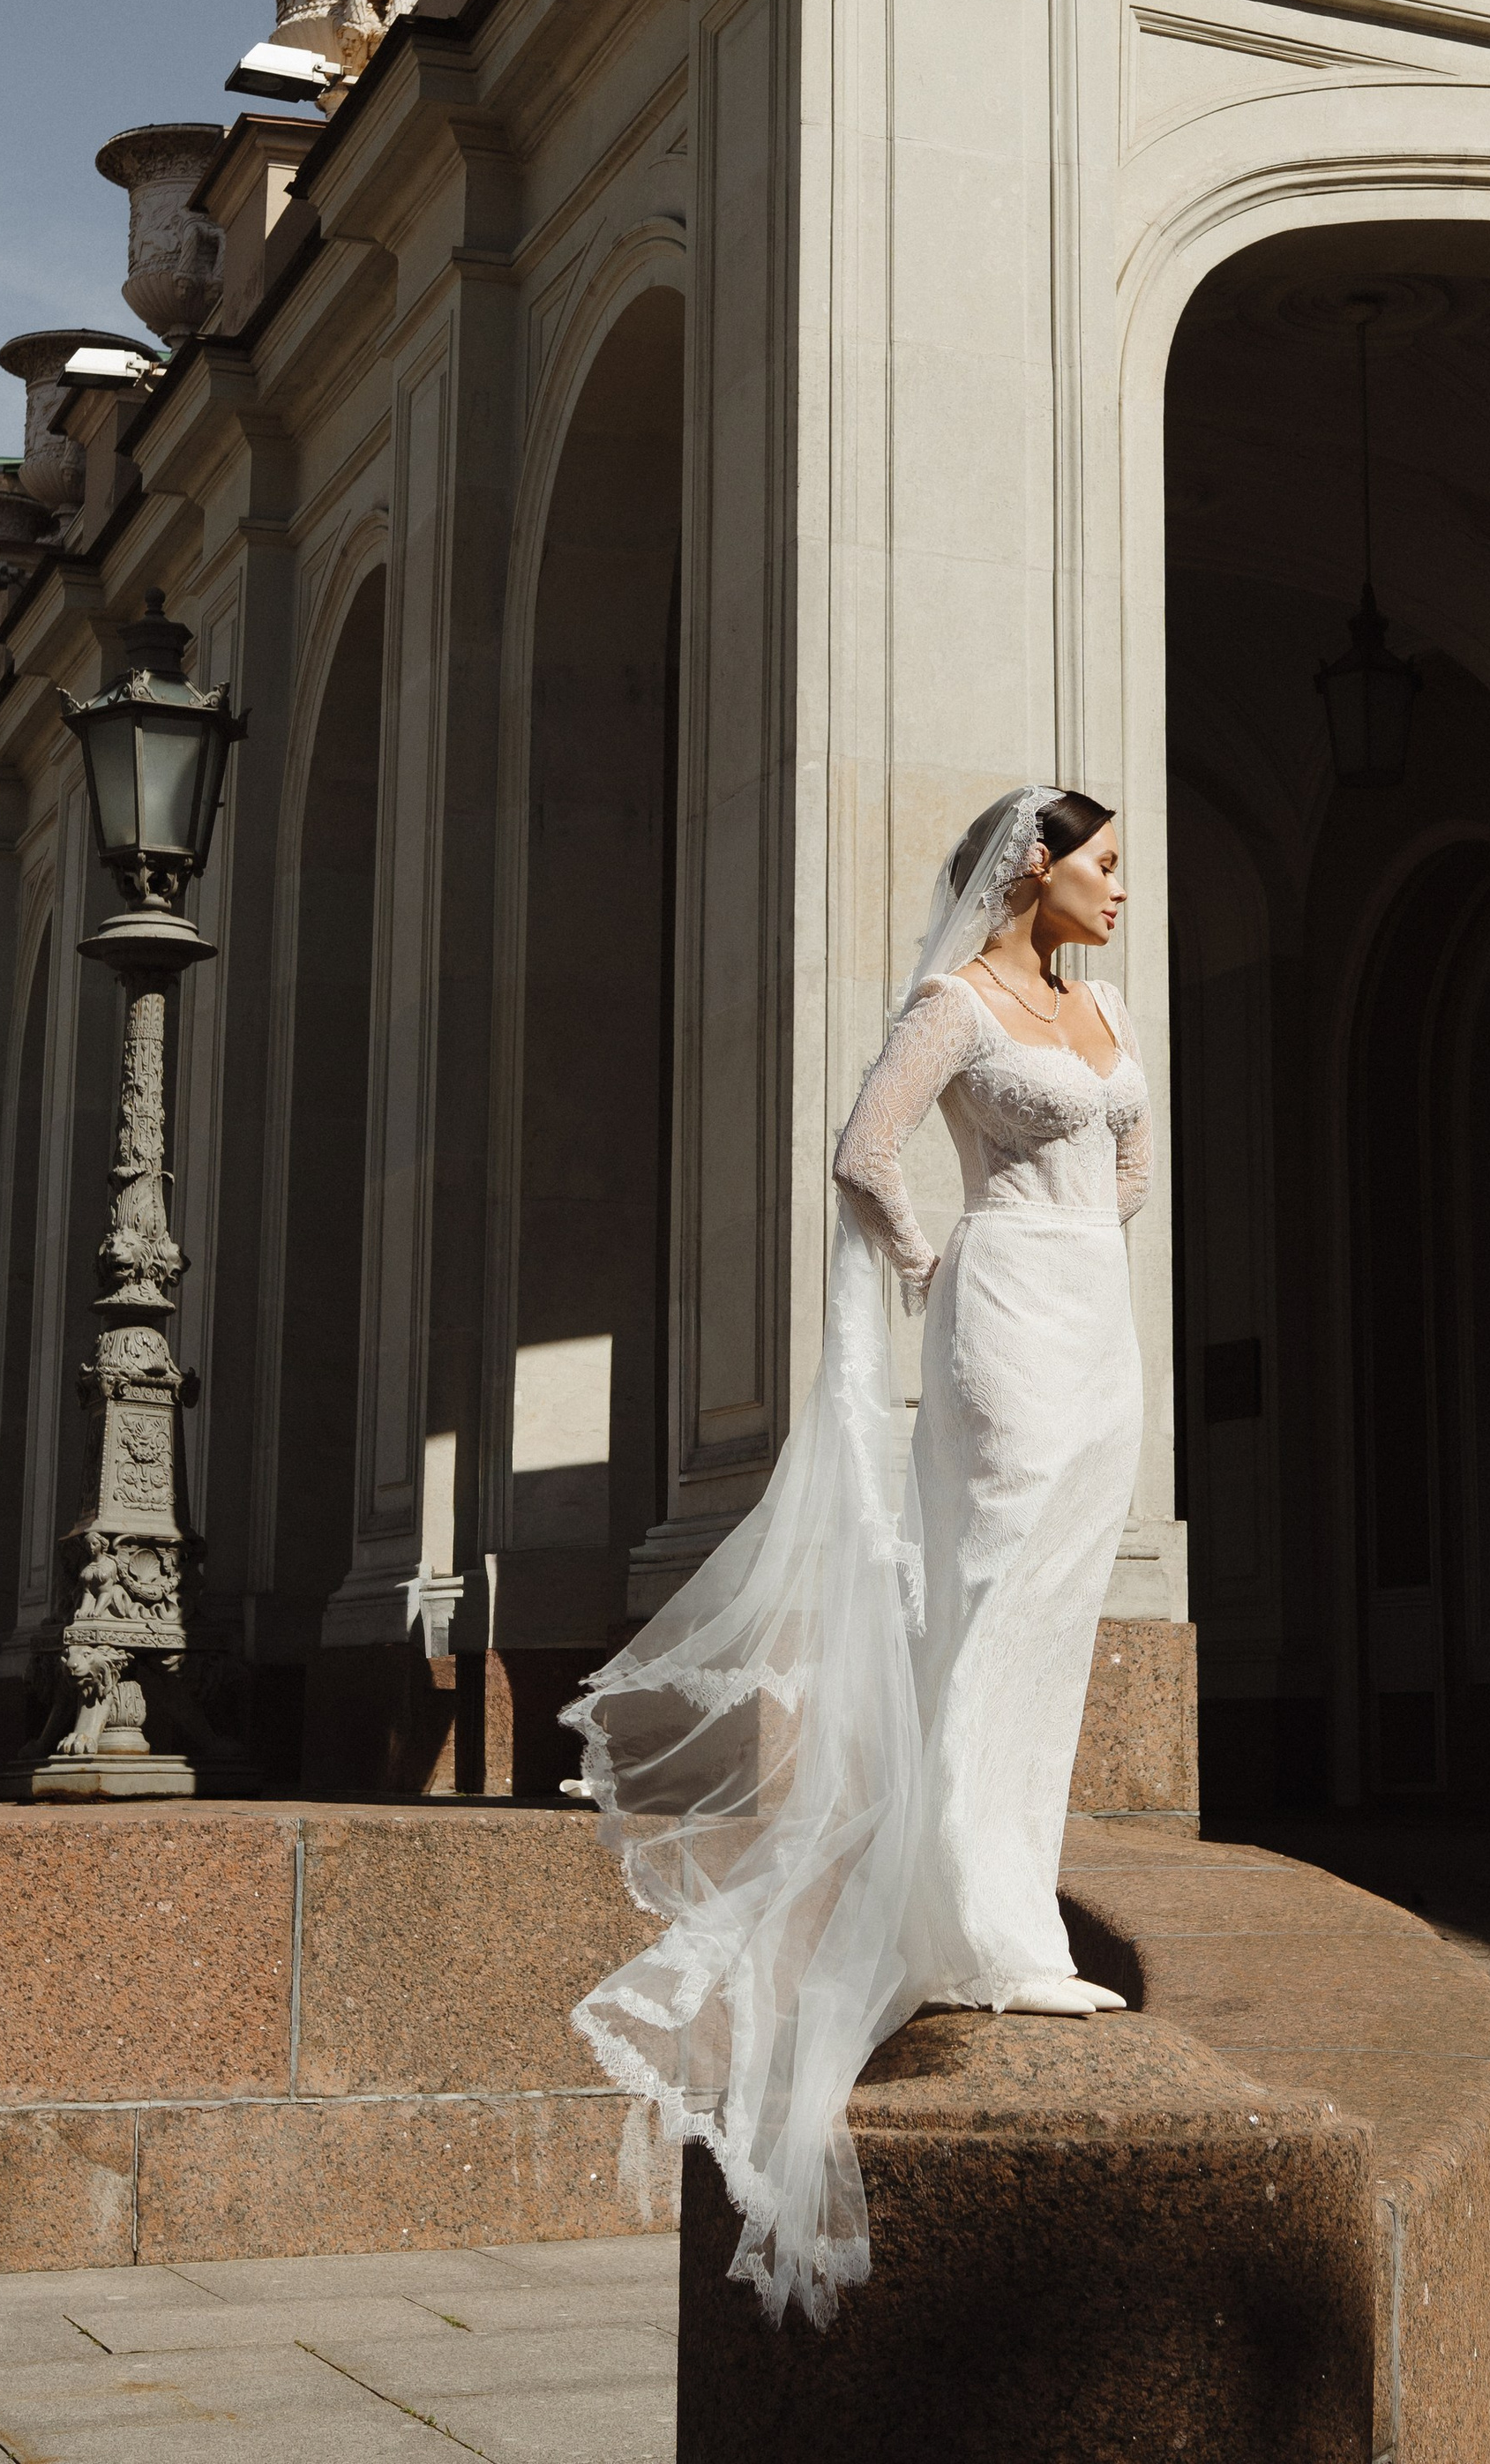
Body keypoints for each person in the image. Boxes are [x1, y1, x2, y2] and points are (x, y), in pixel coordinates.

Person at [565, 783, 1149, 2325]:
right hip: (1005, 1323)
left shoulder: (1105, 1012)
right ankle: (991, 1929)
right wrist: (940, 1256)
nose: (1118, 894)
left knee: (1056, 1620)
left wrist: (1097, 1246)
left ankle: (1004, 1904)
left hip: (1097, 1333)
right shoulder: (956, 1004)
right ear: (1035, 868)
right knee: (985, 1600)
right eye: (1103, 867)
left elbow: (1133, 1157)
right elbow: (867, 1147)